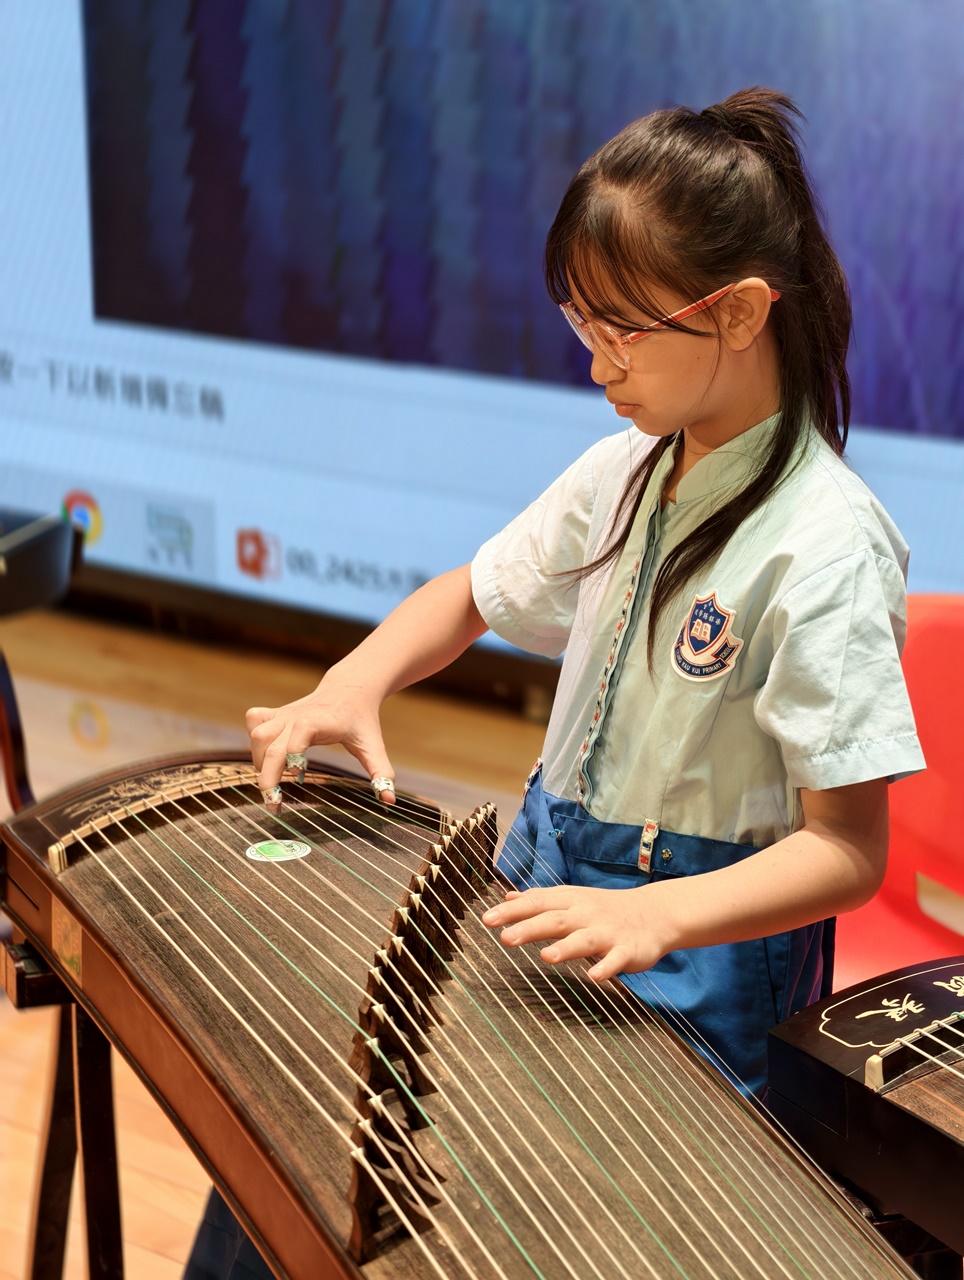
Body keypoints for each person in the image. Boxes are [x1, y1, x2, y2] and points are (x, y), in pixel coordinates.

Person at [186, 86, 923, 1276]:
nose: (596, 365)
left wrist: (656, 912)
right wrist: (352, 681)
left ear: (740, 311)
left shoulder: (824, 545)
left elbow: (847, 849)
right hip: (543, 885)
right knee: (315, 1136)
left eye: (623, 331)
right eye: (582, 324)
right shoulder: (625, 469)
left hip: (699, 952)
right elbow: (468, 592)